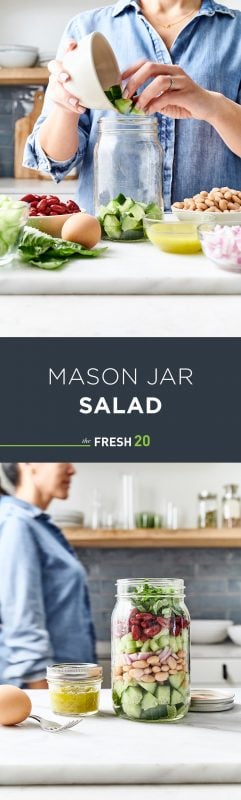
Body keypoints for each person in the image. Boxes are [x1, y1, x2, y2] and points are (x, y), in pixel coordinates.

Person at [24, 0, 241, 213]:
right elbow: (54, 161)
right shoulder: (86, 27)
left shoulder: (236, 29)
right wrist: (65, 106)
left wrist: (214, 106)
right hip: (108, 239)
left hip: (214, 239)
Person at [0, 463, 96, 688]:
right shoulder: (16, 523)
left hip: (64, 687)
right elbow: (21, 619)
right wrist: (41, 696)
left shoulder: (36, 525)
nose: (72, 470)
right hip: (44, 692)